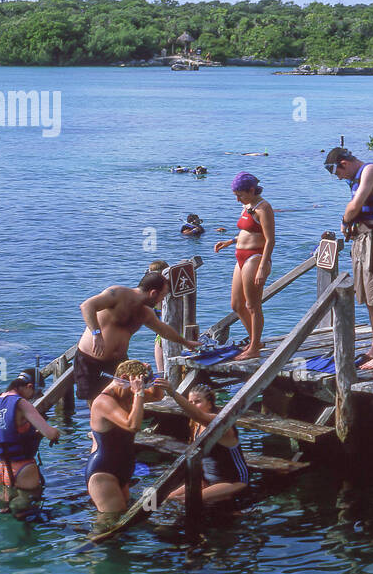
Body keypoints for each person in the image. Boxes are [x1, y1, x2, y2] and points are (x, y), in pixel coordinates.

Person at [75, 272, 198, 405]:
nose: (161, 301)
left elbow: (163, 330)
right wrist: (96, 334)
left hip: (118, 363)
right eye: (162, 296)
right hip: (91, 359)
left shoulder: (145, 313)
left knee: (123, 399)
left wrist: (186, 342)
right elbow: (87, 306)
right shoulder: (118, 294)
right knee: (96, 403)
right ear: (153, 293)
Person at [324, 146, 373, 370]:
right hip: (362, 239)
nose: (339, 177)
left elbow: (355, 206)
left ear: (343, 164)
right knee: (367, 298)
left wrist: (345, 220)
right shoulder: (356, 177)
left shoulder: (371, 170)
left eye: (338, 173)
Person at [83, 359, 166, 514]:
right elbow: (132, 425)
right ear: (123, 378)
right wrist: (139, 394)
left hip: (124, 467)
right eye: (134, 386)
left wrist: (151, 375)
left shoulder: (128, 395)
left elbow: (157, 396)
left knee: (126, 522)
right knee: (111, 521)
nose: (134, 392)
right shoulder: (103, 401)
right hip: (103, 471)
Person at [212, 173, 274, 360]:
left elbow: (270, 239)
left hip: (255, 258)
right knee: (237, 304)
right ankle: (256, 340)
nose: (238, 199)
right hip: (240, 256)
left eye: (240, 195)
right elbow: (247, 232)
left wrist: (263, 266)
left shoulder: (264, 208)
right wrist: (230, 241)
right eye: (236, 195)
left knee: (252, 305)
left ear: (252, 190)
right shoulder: (247, 206)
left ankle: (254, 347)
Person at [0, 369, 60, 512]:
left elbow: (8, 431)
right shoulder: (21, 404)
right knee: (28, 513)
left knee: (5, 511)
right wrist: (56, 432)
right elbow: (50, 434)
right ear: (29, 387)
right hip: (23, 469)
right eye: (36, 393)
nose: (33, 398)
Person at [164, 385, 252, 506]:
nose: (193, 405)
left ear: (210, 404)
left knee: (186, 501)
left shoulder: (220, 423)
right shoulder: (196, 425)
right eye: (191, 402)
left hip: (234, 482)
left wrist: (173, 393)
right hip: (206, 479)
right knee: (168, 498)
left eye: (198, 402)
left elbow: (198, 415)